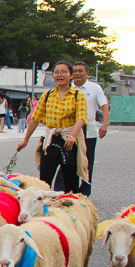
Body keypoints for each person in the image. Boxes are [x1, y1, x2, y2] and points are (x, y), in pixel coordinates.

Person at [16, 60, 88, 194]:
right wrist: (25, 140)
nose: (59, 75)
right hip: (51, 140)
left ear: (71, 75)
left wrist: (72, 136)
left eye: (64, 72)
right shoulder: (47, 95)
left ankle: (71, 208)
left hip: (69, 141)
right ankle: (44, 209)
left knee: (71, 181)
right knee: (44, 179)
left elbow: (81, 118)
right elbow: (35, 118)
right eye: (56, 72)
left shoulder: (78, 95)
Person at [71, 61, 109, 196]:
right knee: (71, 161)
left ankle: (85, 191)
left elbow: (104, 106)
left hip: (89, 130)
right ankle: (72, 190)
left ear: (87, 73)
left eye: (80, 71)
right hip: (70, 130)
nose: (77, 73)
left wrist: (104, 124)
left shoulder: (95, 88)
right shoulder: (68, 87)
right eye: (75, 71)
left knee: (87, 161)